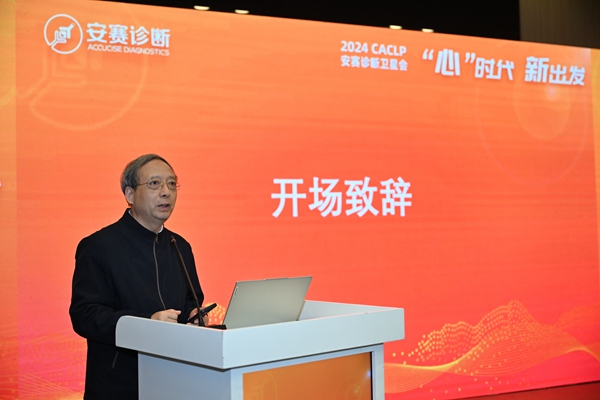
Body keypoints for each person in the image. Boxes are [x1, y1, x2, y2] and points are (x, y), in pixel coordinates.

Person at [69, 154, 205, 399]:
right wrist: (146, 323)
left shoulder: (180, 246)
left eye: (172, 184)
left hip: (174, 379)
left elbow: (190, 301)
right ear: (130, 194)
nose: (166, 192)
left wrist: (194, 316)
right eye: (154, 184)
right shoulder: (99, 246)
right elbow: (85, 315)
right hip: (120, 383)